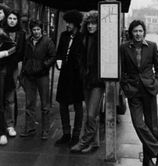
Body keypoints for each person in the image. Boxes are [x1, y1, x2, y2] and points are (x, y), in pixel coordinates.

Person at [120, 20, 158, 166]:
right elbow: (121, 70)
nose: (138, 34)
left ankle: (148, 160)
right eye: (135, 31)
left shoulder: (152, 46)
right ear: (131, 33)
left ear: (144, 32)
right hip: (133, 91)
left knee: (152, 127)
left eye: (140, 31)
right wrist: (125, 86)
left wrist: (157, 84)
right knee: (139, 124)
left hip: (149, 90)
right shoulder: (124, 48)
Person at [71, 10, 105, 153]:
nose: (91, 26)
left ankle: (84, 141)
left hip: (97, 81)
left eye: (94, 23)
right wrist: (82, 70)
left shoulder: (102, 39)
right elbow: (79, 56)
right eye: (89, 23)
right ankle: (95, 142)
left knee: (91, 114)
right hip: (86, 80)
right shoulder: (84, 38)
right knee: (92, 115)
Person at [20, 20, 56, 140]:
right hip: (29, 75)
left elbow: (52, 56)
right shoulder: (28, 41)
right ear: (31, 30)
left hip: (42, 76)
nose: (36, 32)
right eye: (34, 29)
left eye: (38, 29)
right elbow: (25, 57)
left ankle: (45, 130)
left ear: (41, 29)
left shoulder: (47, 41)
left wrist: (43, 66)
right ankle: (30, 128)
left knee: (45, 104)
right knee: (29, 103)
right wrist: (23, 72)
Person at [54, 10, 84, 147]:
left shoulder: (82, 37)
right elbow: (59, 52)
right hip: (65, 74)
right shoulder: (63, 35)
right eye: (67, 22)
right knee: (62, 103)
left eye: (70, 23)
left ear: (76, 23)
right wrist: (58, 60)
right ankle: (66, 133)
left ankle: (76, 135)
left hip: (77, 76)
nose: (68, 25)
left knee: (78, 105)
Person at [3, 9, 26, 137]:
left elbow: (22, 54)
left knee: (10, 97)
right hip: (2, 66)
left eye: (14, 19)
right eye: (10, 18)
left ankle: (10, 125)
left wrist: (19, 73)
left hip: (14, 67)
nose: (12, 21)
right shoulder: (2, 31)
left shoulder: (21, 33)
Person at [0, 29, 16, 145]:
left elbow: (14, 47)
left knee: (2, 102)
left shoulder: (7, 40)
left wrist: (4, 53)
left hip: (3, 72)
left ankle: (2, 131)